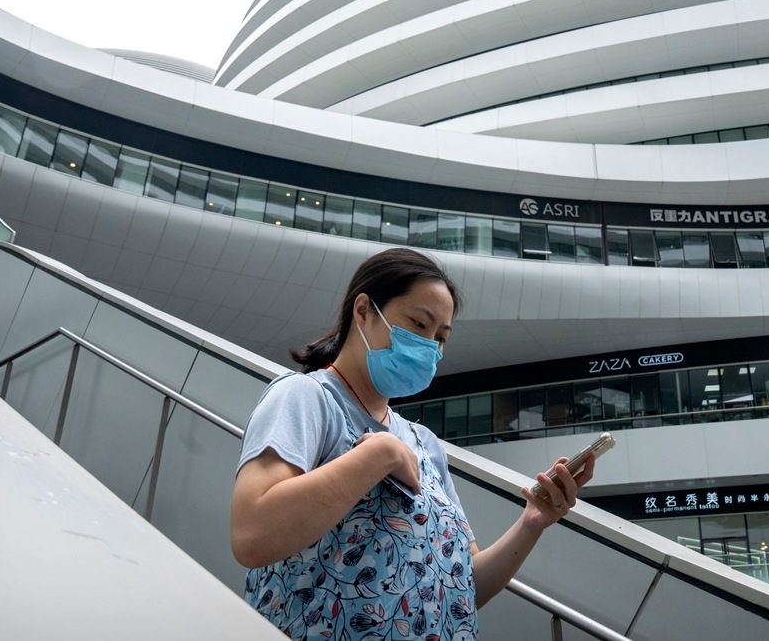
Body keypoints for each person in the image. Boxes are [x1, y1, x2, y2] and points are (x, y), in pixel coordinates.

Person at [230, 247, 594, 640]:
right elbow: (252, 535)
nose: (431, 348)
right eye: (419, 324)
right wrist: (379, 454)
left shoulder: (425, 444)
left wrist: (531, 523)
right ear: (364, 311)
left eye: (441, 337)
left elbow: (462, 587)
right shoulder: (305, 398)